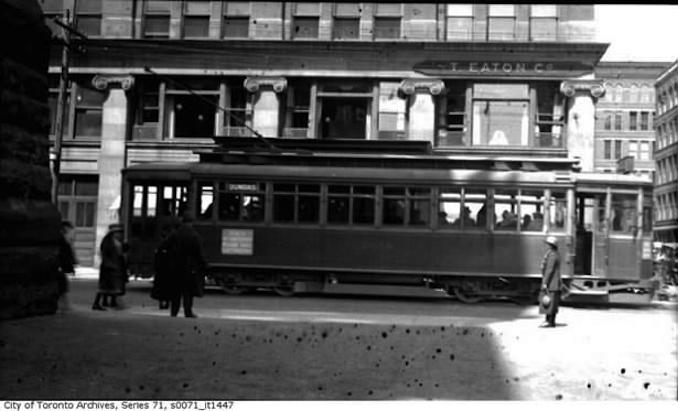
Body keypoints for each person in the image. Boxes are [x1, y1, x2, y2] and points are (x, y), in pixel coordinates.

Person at [165, 212, 206, 318]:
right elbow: (199, 253)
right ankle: (188, 311)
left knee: (176, 291)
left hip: (175, 266)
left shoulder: (175, 234)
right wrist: (204, 264)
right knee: (188, 292)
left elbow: (165, 246)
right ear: (191, 222)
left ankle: (174, 312)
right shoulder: (195, 235)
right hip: (189, 267)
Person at [92, 224, 128, 311]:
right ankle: (96, 303)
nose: (120, 234)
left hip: (116, 266)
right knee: (104, 287)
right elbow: (105, 254)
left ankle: (112, 302)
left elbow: (122, 252)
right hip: (108, 267)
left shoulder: (118, 241)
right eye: (118, 232)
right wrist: (110, 264)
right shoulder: (108, 242)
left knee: (112, 287)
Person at [152, 224, 175, 309]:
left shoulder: (161, 244)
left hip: (161, 269)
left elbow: (157, 257)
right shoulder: (171, 243)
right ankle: (167, 302)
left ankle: (162, 302)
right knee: (168, 287)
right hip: (169, 268)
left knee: (161, 288)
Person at [539, 235, 562, 327]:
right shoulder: (555, 253)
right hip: (554, 282)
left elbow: (549, 270)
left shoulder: (552, 255)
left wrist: (545, 283)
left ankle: (550, 322)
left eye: (548, 244)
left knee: (549, 301)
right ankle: (550, 321)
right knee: (552, 301)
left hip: (552, 282)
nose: (546, 245)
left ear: (551, 245)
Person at [57, 220, 77, 312]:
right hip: (59, 268)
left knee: (62, 287)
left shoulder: (64, 241)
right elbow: (64, 256)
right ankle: (64, 306)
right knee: (62, 287)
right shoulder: (61, 241)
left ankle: (64, 305)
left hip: (61, 268)